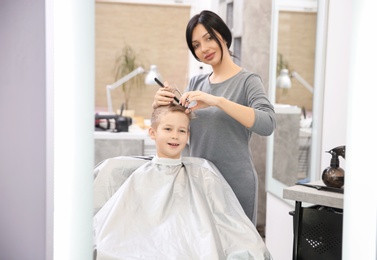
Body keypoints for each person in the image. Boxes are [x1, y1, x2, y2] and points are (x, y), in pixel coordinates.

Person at [93, 104, 272, 259]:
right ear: (152, 133)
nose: (175, 136)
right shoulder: (139, 177)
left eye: (182, 131)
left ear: (188, 135)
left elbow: (226, 221)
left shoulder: (203, 172)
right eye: (168, 129)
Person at [152, 10, 276, 224]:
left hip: (235, 182)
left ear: (224, 36)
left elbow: (268, 124)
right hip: (198, 180)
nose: (204, 48)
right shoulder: (196, 83)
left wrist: (217, 101)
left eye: (209, 38)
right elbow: (178, 128)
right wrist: (160, 106)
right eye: (196, 45)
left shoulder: (248, 81)